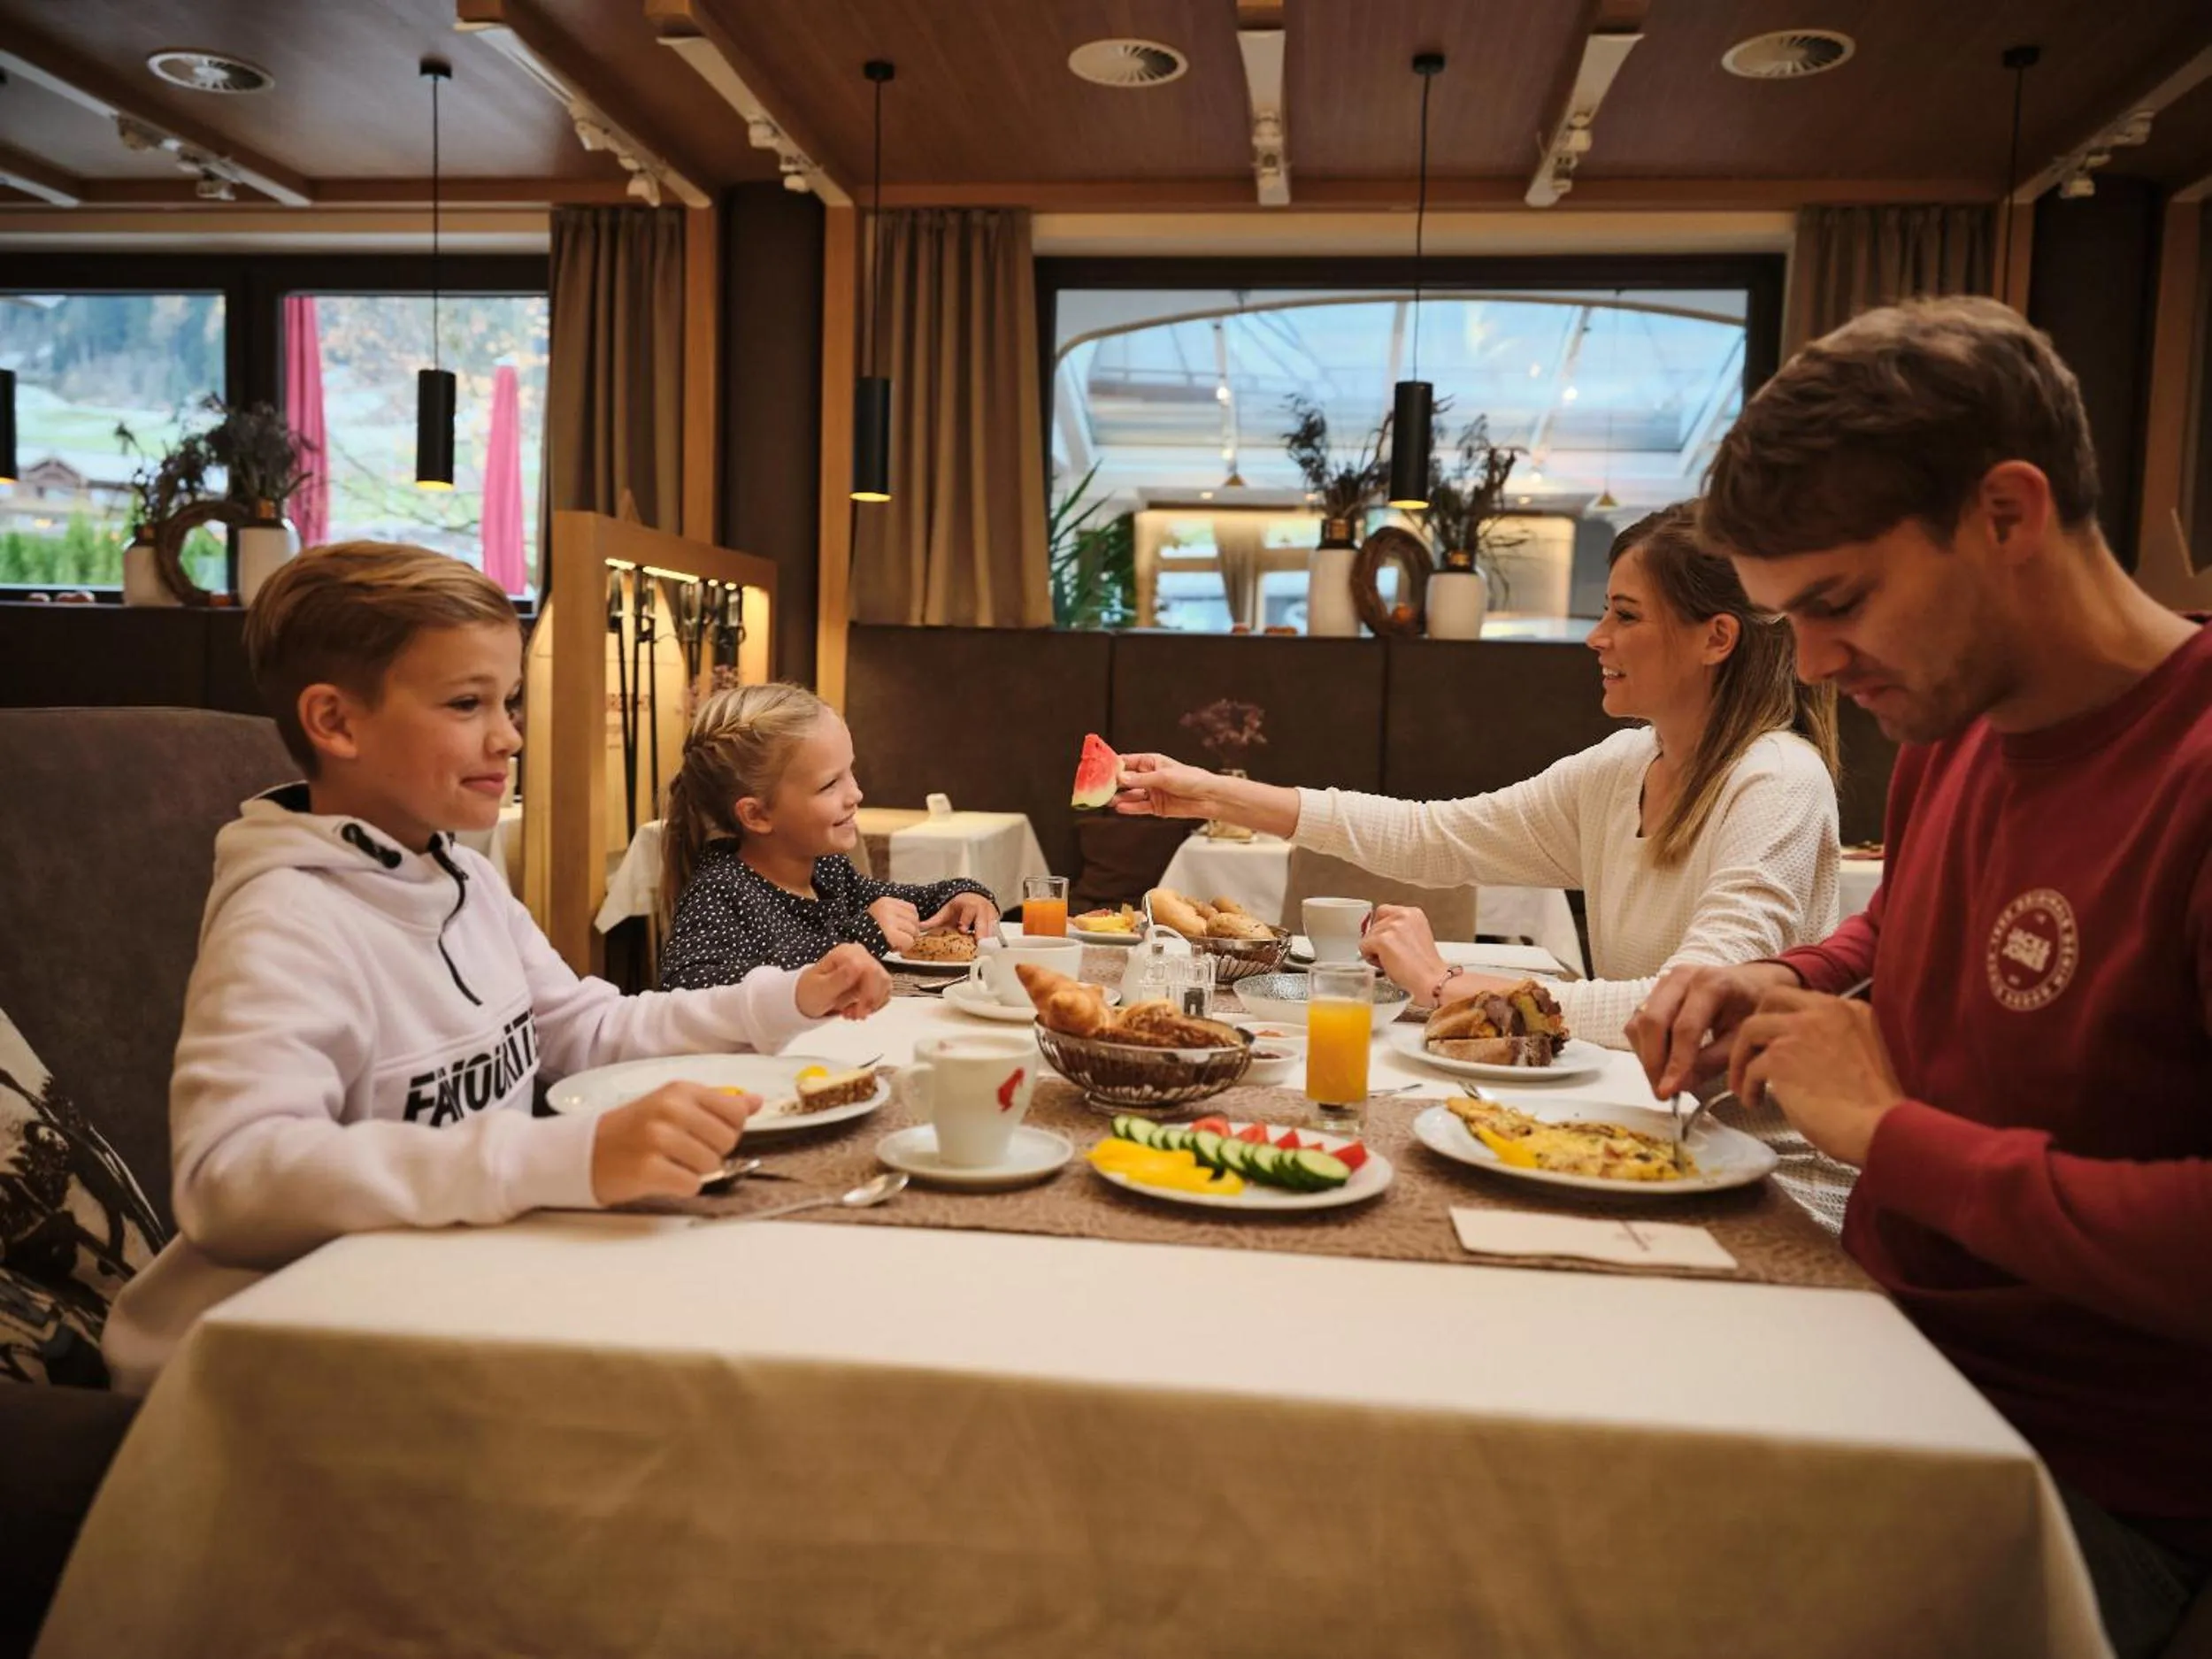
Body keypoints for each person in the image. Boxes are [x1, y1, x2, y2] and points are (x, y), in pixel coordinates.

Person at [1626, 297, 2210, 1659]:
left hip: (2077, 1479)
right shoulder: (1959, 716)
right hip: (1878, 1350)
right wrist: (1769, 973)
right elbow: (1904, 939)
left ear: (2008, 513)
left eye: (1837, 602)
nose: (1816, 663)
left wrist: (1896, 1136)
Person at [103, 544, 891, 1394]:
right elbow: (234, 1179)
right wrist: (554, 1156)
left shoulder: (464, 877)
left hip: (445, 1290)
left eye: (509, 701)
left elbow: (585, 1027)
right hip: (272, 1363)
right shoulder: (287, 919)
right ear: (335, 722)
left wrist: (786, 995)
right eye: (466, 702)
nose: (508, 734)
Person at [1114, 502, 1841, 1055]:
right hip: (1637, 1113)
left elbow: (1689, 1007)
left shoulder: (1777, 783)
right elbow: (1435, 836)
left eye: (1624, 614)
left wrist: (1446, 984)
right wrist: (1208, 791)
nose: (1597, 637)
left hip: (1755, 1164)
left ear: (1716, 636)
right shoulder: (1625, 767)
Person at [657, 683, 1000, 991]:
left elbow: (908, 903)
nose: (856, 794)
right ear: (758, 815)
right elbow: (688, 988)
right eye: (829, 784)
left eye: (849, 772)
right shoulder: (721, 890)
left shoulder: (828, 871)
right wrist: (856, 940)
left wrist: (963, 895)